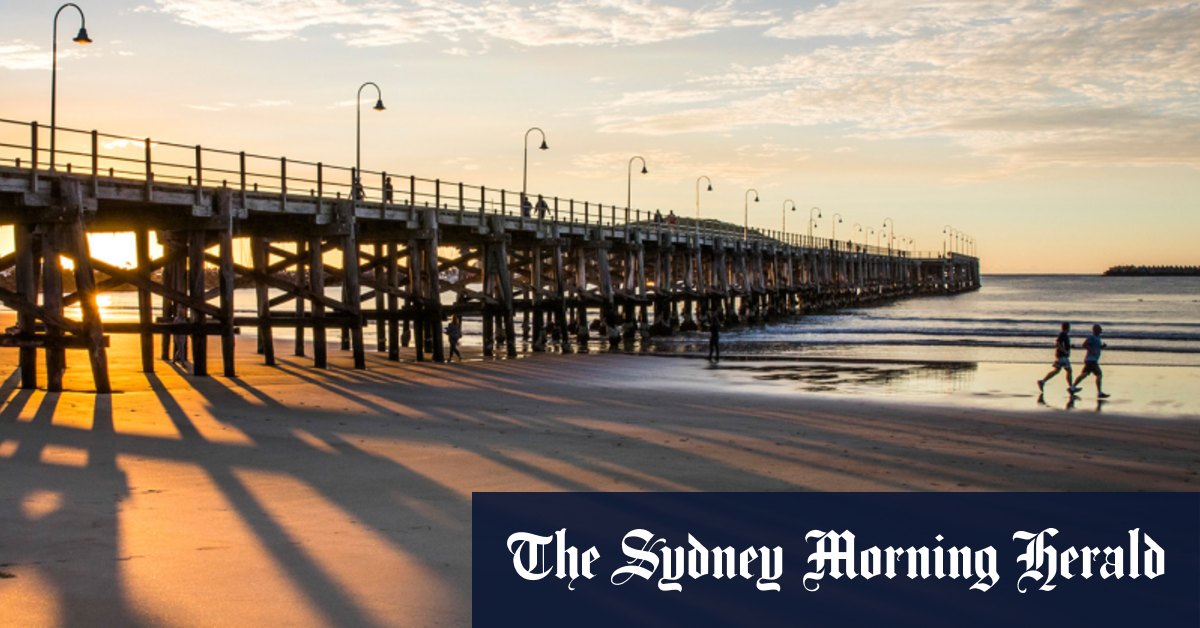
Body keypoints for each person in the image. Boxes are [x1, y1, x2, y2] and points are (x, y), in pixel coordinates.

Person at [1037, 322, 1080, 393]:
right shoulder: (1063, 334)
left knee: (1056, 370)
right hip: (1062, 356)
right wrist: (1064, 351)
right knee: (1069, 370)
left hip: (1060, 355)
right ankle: (1071, 388)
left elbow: (1062, 344)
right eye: (1069, 327)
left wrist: (1070, 346)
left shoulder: (1064, 334)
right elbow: (1058, 343)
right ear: (1068, 327)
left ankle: (1042, 381)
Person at [1072, 324, 1109, 398]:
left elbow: (1097, 348)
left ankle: (1072, 387)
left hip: (1091, 360)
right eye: (1100, 329)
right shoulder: (1091, 337)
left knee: (1084, 374)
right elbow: (1084, 345)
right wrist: (1091, 350)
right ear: (1095, 330)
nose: (1101, 330)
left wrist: (1102, 347)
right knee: (1099, 374)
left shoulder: (1098, 338)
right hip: (1091, 360)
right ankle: (1099, 392)